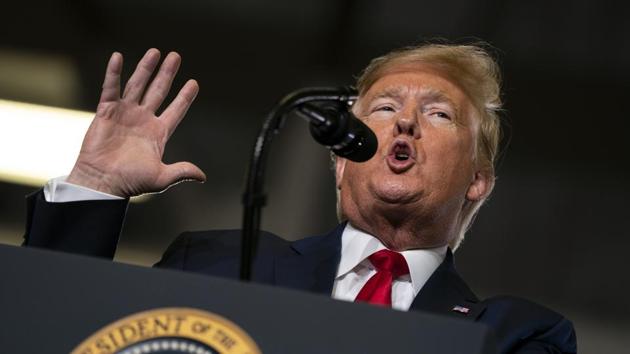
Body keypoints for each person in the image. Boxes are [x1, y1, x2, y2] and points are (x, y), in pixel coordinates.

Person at [23, 45, 577, 353]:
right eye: (383, 108)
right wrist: (94, 185)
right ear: (340, 159)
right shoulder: (217, 264)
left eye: (439, 114)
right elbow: (51, 334)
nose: (406, 121)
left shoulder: (513, 335)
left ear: (478, 181)